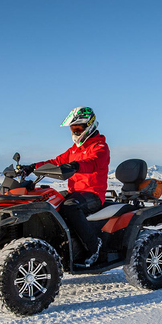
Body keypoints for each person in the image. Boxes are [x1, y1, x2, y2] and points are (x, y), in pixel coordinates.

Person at [22, 107, 110, 266]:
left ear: (89, 126)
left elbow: (93, 162)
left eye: (78, 128)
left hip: (92, 194)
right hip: (75, 192)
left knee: (69, 207)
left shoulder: (100, 147)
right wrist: (32, 167)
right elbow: (56, 162)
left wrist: (75, 166)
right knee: (48, 201)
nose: (75, 132)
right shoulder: (74, 150)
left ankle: (93, 246)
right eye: (72, 128)